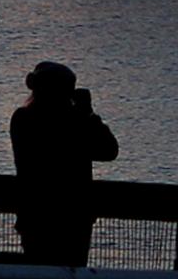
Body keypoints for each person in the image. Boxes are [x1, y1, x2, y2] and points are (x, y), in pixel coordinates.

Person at [10, 61, 118, 266]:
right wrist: (88, 115)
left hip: (37, 217)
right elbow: (108, 150)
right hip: (72, 219)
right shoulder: (74, 123)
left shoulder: (23, 119)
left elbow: (108, 151)